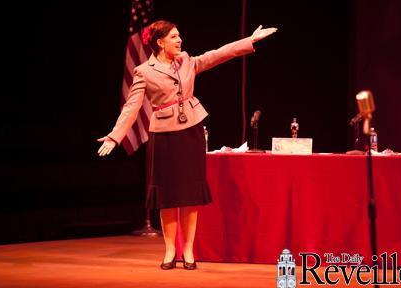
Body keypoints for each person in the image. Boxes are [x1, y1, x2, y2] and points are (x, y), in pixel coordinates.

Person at [97, 20, 277, 270]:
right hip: (164, 135)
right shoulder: (143, 71)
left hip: (191, 131)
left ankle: (189, 250)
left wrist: (250, 40)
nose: (179, 40)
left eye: (179, 35)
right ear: (160, 42)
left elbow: (218, 54)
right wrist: (115, 136)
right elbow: (132, 107)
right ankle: (171, 251)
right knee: (168, 196)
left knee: (190, 195)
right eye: (173, 37)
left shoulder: (186, 61)